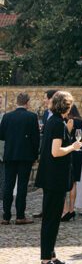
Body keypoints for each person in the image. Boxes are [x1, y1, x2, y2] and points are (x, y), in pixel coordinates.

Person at [35, 90, 82, 264]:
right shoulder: (57, 124)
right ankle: (45, 259)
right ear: (67, 106)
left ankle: (51, 255)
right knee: (50, 219)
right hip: (54, 178)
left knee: (53, 218)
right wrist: (73, 146)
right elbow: (56, 152)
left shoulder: (54, 122)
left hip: (54, 177)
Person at [0, 92, 40, 226]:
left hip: (10, 155)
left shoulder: (7, 116)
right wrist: (35, 155)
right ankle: (20, 216)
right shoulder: (32, 117)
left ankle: (6, 216)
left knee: (8, 186)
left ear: (17, 102)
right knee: (22, 186)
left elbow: (2, 135)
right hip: (25, 156)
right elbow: (36, 139)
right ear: (27, 103)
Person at [61, 104, 82, 223]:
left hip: (69, 152)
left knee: (66, 181)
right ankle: (72, 209)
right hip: (79, 153)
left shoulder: (68, 121)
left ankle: (65, 210)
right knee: (74, 182)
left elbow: (67, 137)